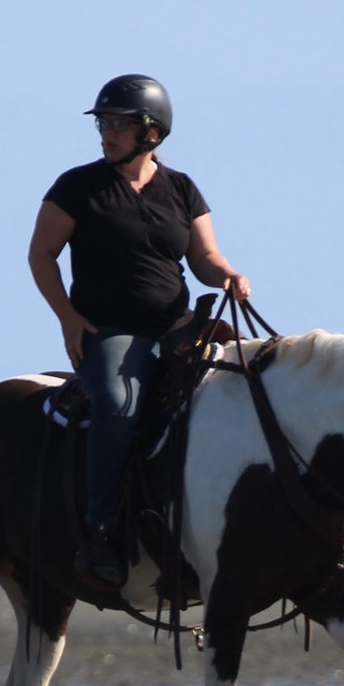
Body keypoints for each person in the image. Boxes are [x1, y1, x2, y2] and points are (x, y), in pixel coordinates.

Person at [28, 75, 250, 589]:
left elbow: (203, 257)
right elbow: (42, 254)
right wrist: (67, 316)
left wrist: (229, 275)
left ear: (151, 132)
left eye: (118, 125)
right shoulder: (76, 187)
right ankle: (101, 532)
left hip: (178, 327)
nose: (107, 134)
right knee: (118, 407)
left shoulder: (182, 188)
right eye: (104, 124)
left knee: (243, 389)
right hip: (111, 329)